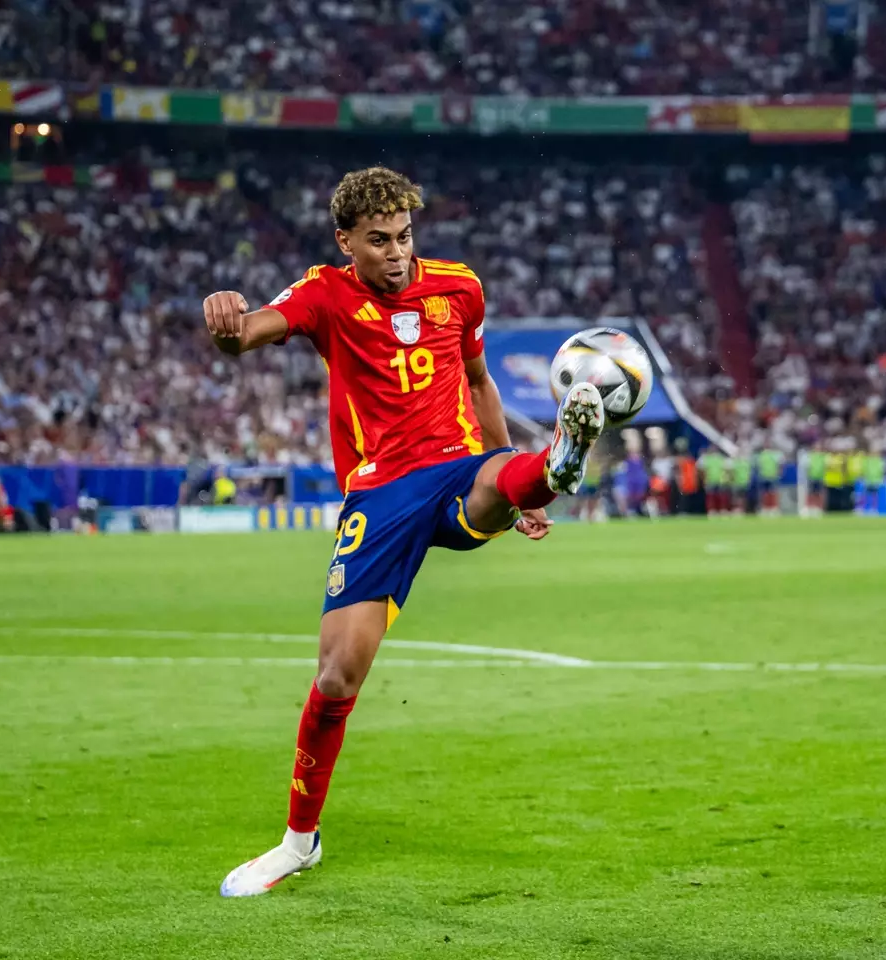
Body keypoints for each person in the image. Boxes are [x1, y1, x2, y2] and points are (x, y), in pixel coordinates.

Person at [203, 167, 606, 896]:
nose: (396, 253)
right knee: (335, 678)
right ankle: (299, 842)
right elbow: (254, 333)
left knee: (495, 484)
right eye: (379, 241)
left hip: (458, 465)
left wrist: (520, 479)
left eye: (405, 236)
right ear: (347, 242)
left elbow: (481, 383)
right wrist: (228, 323)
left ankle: (555, 465)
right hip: (380, 495)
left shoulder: (459, 287)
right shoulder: (325, 293)